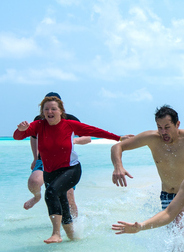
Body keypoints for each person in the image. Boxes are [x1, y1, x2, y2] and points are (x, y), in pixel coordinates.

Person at [13, 95, 120, 243]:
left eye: (53, 109)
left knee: (51, 193)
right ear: (42, 112)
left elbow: (95, 131)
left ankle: (56, 234)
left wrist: (119, 138)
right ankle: (73, 238)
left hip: (70, 169)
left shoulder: (69, 124)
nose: (49, 111)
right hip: (50, 171)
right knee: (62, 202)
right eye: (46, 109)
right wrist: (20, 129)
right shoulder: (38, 125)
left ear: (61, 111)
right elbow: (17, 136)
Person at [110, 105, 184, 219]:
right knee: (171, 229)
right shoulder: (151, 138)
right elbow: (117, 147)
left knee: (181, 221)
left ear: (177, 124)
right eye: (159, 127)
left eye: (167, 127)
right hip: (166, 195)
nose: (163, 132)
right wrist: (118, 167)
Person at [23, 91, 91, 216]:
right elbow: (33, 137)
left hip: (66, 163)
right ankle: (37, 197)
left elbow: (87, 138)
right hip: (44, 160)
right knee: (33, 182)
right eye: (46, 107)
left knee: (68, 196)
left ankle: (74, 223)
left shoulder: (70, 119)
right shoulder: (39, 120)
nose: (49, 111)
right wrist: (35, 158)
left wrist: (73, 140)